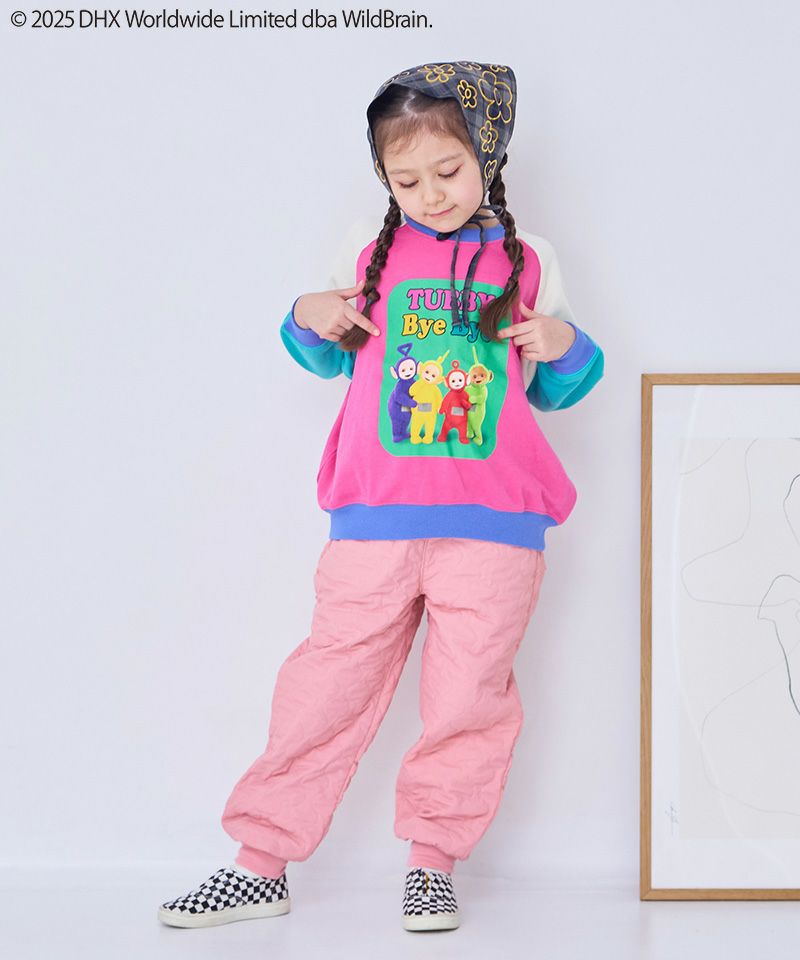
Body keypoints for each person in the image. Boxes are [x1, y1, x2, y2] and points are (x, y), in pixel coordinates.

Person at [158, 59, 604, 934]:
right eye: (407, 179)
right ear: (384, 179)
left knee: (468, 703)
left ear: (489, 156)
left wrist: (565, 343)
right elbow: (327, 353)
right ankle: (260, 864)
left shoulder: (529, 259)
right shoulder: (370, 251)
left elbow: (553, 391)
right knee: (325, 688)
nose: (430, 195)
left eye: (449, 171)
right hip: (374, 518)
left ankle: (432, 864)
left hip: (496, 527)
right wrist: (306, 312)